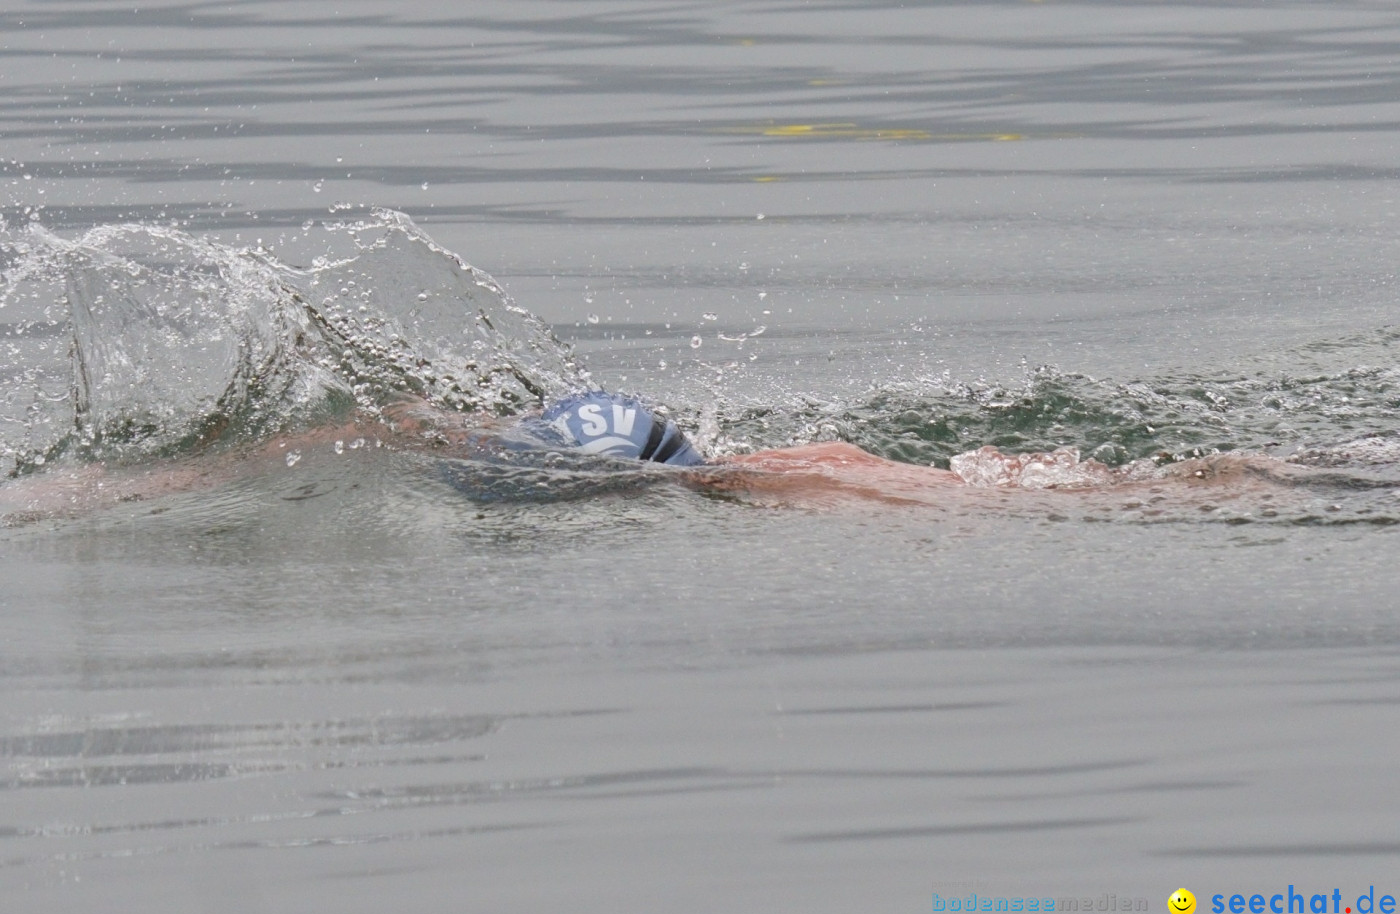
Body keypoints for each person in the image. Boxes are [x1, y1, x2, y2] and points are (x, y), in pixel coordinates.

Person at [0, 387, 1300, 523]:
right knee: (789, 473)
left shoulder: (416, 441)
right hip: (590, 441)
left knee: (786, 474)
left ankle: (93, 488)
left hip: (582, 447)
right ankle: (1148, 486)